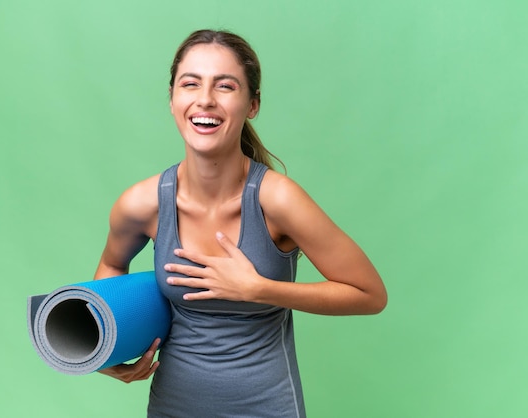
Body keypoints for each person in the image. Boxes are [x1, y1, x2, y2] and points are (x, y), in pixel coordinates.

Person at [93, 29, 387, 417]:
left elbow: (369, 294)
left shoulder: (277, 200)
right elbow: (113, 265)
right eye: (190, 83)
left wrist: (260, 289)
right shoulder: (142, 204)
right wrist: (106, 347)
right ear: (172, 99)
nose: (205, 100)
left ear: (252, 104)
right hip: (173, 407)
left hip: (268, 407)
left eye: (225, 86)